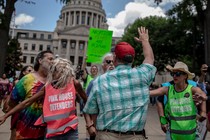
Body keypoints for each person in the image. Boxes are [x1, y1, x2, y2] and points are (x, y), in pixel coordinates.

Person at [83, 26, 156, 140]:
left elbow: (91, 110)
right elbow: (150, 59)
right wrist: (145, 41)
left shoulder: (99, 81)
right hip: (135, 136)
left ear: (115, 57)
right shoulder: (143, 75)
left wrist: (97, 129)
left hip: (106, 135)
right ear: (133, 58)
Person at [0, 57, 87, 139]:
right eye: (55, 71)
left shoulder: (74, 83)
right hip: (51, 132)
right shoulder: (47, 87)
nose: (57, 74)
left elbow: (86, 100)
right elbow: (27, 102)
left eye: (61, 71)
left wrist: (90, 121)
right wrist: (6, 116)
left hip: (70, 131)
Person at [150, 61, 207, 140]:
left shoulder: (192, 88)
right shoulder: (167, 88)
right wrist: (162, 121)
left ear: (185, 76)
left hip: (192, 134)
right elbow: (155, 97)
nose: (174, 76)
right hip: (173, 133)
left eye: (178, 74)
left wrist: (203, 110)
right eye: (173, 74)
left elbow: (203, 95)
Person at [5, 50, 54, 139]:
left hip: (45, 131)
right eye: (50, 59)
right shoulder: (27, 79)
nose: (52, 62)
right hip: (25, 128)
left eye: (53, 60)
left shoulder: (53, 81)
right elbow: (13, 102)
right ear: (40, 60)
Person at [84, 52, 115, 140]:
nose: (111, 64)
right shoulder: (94, 82)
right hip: (98, 129)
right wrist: (90, 125)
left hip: (115, 130)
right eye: (108, 61)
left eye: (113, 61)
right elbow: (86, 105)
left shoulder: (121, 84)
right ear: (103, 65)